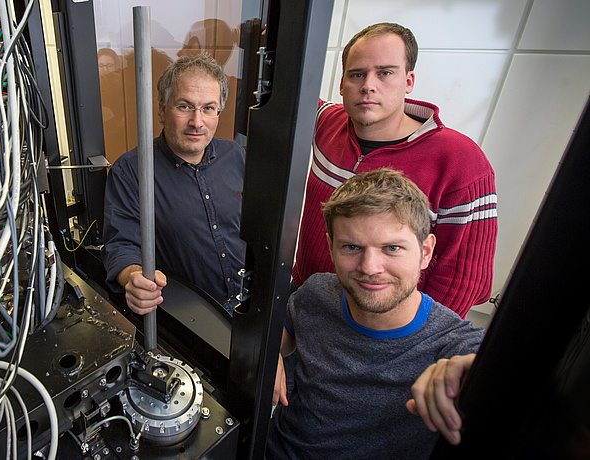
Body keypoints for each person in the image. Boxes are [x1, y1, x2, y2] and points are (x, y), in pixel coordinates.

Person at [268, 168, 484, 459]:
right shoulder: (317, 291)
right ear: (331, 247)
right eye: (352, 247)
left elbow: (490, 367)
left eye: (392, 248)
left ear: (426, 252)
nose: (369, 267)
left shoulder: (450, 343)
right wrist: (269, 353)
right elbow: (287, 331)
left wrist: (471, 374)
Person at [292, 22, 497, 318]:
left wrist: (415, 341)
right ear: (342, 83)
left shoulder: (460, 160)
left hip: (383, 326)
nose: (368, 86)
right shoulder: (327, 123)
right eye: (357, 74)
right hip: (308, 301)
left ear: (409, 81)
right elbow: (288, 93)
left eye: (385, 73)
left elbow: (465, 277)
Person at [101, 54, 246, 315]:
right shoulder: (131, 171)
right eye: (184, 106)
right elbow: (120, 246)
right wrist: (134, 278)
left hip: (250, 306)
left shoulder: (236, 156)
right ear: (162, 110)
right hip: (193, 319)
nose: (197, 122)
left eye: (208, 108)